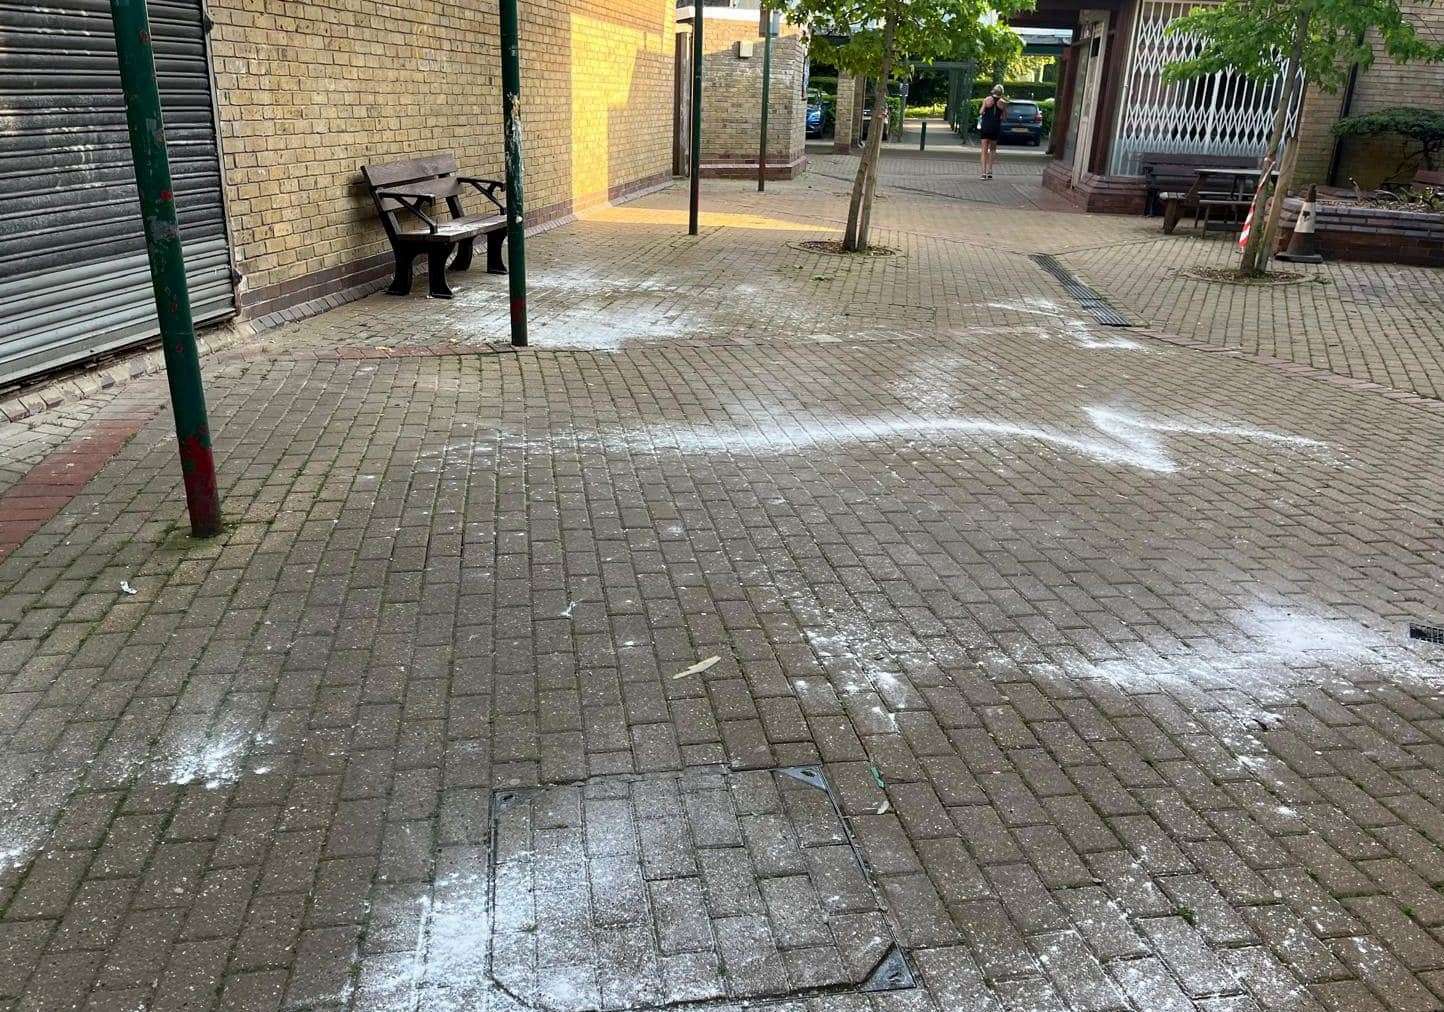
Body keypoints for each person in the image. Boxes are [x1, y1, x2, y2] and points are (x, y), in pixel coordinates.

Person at [978, 85, 1007, 180]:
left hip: (986, 126)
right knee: (993, 150)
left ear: (993, 91)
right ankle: (990, 171)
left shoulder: (987, 99)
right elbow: (1004, 117)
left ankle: (983, 173)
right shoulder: (1003, 102)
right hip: (995, 127)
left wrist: (984, 106)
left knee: (984, 150)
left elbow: (981, 112)